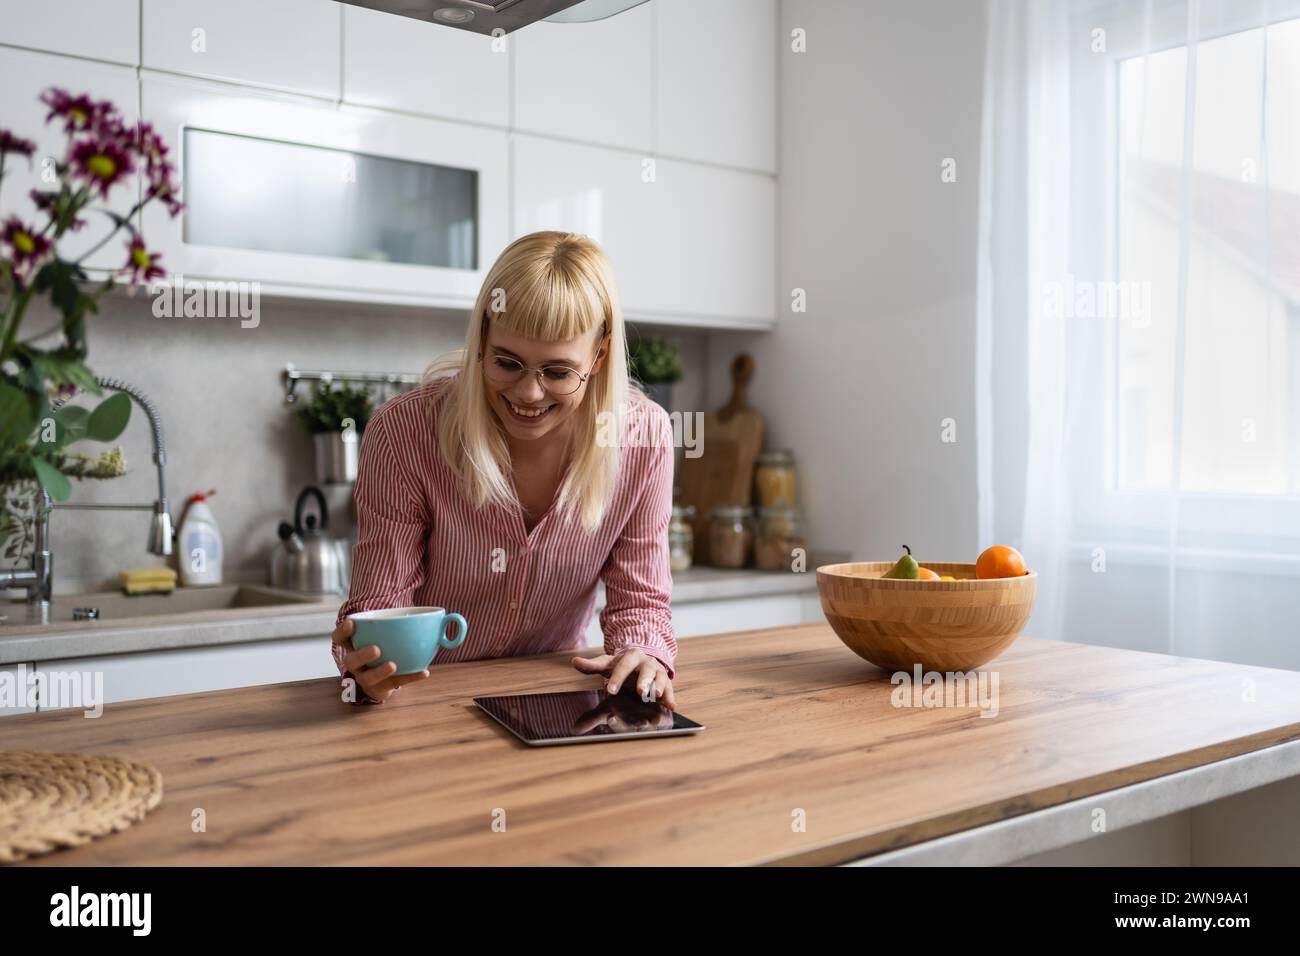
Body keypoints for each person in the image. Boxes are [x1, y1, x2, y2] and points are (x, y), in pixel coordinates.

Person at [330, 231, 677, 709]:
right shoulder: (405, 432)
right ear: (482, 339)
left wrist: (643, 654)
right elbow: (380, 606)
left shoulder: (643, 438)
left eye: (557, 372)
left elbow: (640, 603)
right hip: (428, 704)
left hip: (556, 705)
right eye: (507, 363)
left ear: (598, 356)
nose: (529, 394)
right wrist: (365, 664)